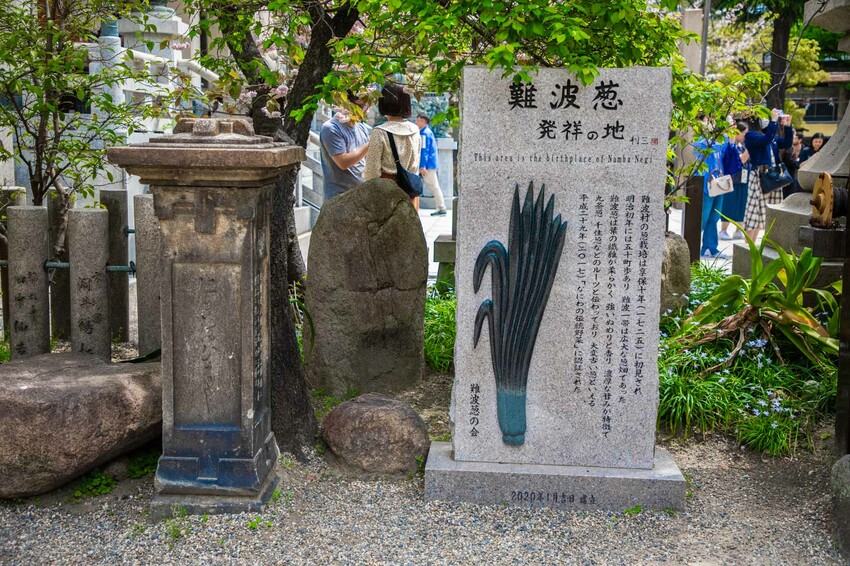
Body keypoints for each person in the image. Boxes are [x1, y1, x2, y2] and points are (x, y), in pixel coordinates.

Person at [363, 83, 422, 209]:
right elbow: (415, 165)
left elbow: (371, 172)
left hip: (385, 194)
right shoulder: (415, 130)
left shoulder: (380, 132)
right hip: (409, 191)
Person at [742, 108, 794, 241]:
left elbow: (787, 143)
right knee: (754, 212)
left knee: (770, 211)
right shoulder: (751, 136)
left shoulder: (771, 138)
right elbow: (765, 140)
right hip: (760, 176)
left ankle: (761, 243)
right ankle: (748, 245)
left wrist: (787, 126)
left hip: (774, 176)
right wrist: (773, 121)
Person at [319, 96, 371, 200]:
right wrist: (371, 143)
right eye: (360, 106)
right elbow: (343, 162)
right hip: (339, 197)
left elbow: (366, 160)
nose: (364, 110)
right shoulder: (331, 128)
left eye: (366, 106)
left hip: (361, 194)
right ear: (346, 103)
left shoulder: (362, 127)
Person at [694, 120, 732, 259]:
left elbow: (725, 149)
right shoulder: (700, 142)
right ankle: (694, 244)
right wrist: (726, 134)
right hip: (706, 185)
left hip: (719, 184)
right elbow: (716, 147)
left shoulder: (719, 141)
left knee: (714, 217)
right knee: (703, 218)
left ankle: (710, 247)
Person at [719, 122, 750, 240]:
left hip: (743, 179)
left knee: (742, 205)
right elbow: (740, 160)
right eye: (744, 133)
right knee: (730, 204)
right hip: (732, 180)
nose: (745, 136)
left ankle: (738, 230)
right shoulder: (730, 146)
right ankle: (723, 230)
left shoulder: (743, 146)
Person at [415, 113, 447, 216]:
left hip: (427, 166)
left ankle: (441, 207)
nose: (417, 123)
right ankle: (441, 207)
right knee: (434, 186)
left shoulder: (424, 134)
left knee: (434, 186)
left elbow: (424, 151)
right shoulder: (427, 132)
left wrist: (422, 166)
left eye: (419, 121)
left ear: (424, 122)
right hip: (431, 164)